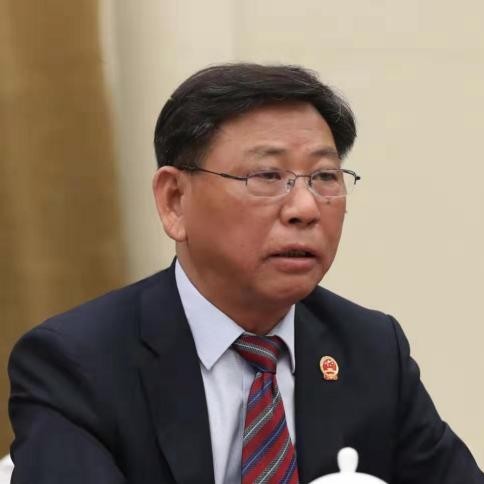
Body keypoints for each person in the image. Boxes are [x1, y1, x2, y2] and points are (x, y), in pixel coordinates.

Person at [8, 63, 483, 484]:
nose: (305, 208)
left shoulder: (370, 350)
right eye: (267, 177)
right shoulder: (78, 364)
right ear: (175, 200)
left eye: (324, 177)